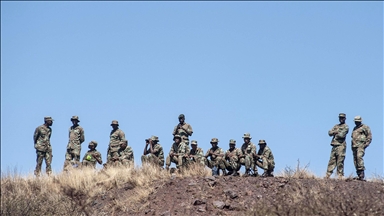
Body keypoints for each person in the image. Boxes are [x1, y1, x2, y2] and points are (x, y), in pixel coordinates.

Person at [325, 113, 349, 179]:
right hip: (334, 145)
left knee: (340, 161)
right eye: (340, 118)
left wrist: (335, 133)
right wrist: (335, 132)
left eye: (342, 118)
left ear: (345, 118)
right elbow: (329, 133)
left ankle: (340, 175)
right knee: (332, 160)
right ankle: (328, 174)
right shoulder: (336, 126)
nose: (341, 119)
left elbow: (342, 135)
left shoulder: (346, 127)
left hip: (341, 145)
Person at [351, 116, 372, 181]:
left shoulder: (365, 127)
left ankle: (361, 174)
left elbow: (369, 136)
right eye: (355, 121)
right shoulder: (354, 128)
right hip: (354, 146)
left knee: (359, 157)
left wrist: (366, 144)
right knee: (355, 160)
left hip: (361, 146)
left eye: (357, 121)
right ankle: (358, 174)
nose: (356, 122)